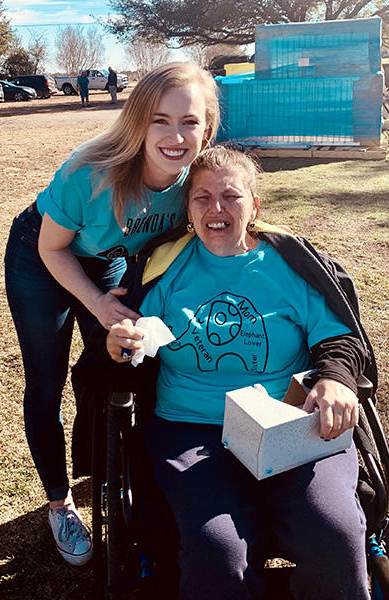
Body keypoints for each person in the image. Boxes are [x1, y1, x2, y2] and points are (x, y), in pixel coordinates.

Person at [105, 146, 370, 599]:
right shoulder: (164, 268)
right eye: (202, 198)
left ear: (254, 205)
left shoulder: (289, 264)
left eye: (231, 196)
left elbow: (340, 337)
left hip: (291, 423)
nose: (217, 208)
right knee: (218, 553)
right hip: (192, 429)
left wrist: (336, 377)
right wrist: (119, 347)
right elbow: (130, 348)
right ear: (188, 209)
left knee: (333, 534)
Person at [4, 62, 220, 566]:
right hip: (42, 253)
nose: (174, 136)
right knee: (46, 378)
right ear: (137, 120)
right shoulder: (91, 171)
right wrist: (97, 302)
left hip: (108, 256)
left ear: (207, 127)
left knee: (116, 363)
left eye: (189, 121)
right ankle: (60, 501)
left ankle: (107, 472)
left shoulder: (197, 177)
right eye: (159, 120)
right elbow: (53, 249)